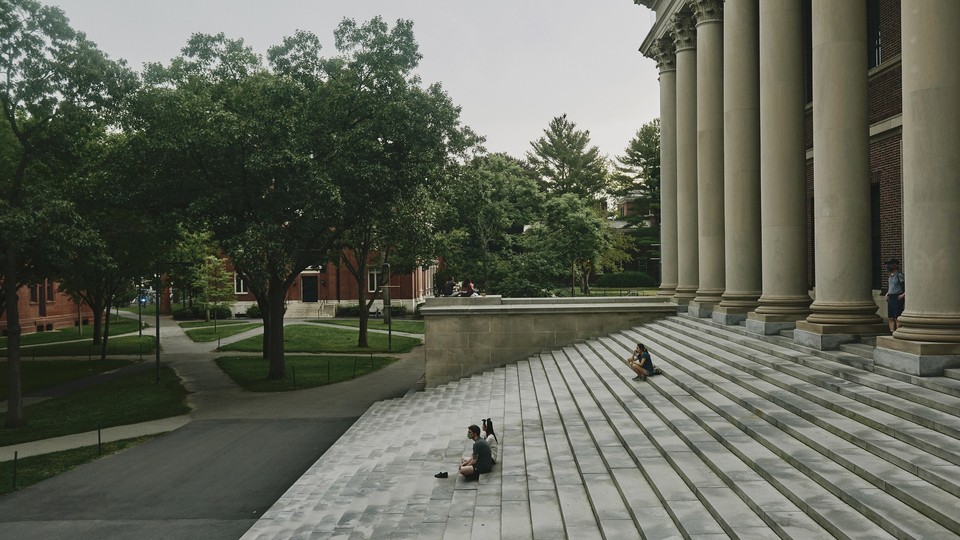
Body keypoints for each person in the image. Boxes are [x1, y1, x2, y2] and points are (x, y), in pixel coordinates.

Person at [886, 258, 905, 332]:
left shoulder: (899, 275)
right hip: (890, 297)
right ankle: (892, 331)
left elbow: (906, 286)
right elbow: (891, 287)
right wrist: (887, 294)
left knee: (897, 317)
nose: (888, 266)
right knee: (890, 317)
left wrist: (903, 295)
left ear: (895, 265)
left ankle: (898, 331)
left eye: (889, 265)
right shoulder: (890, 276)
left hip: (897, 297)